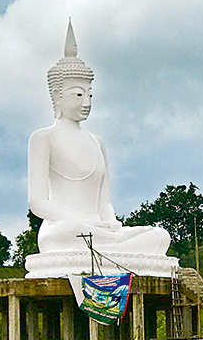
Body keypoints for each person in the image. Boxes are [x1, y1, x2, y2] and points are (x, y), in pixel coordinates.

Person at [28, 21, 170, 256]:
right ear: (57, 95)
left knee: (160, 235)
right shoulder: (43, 138)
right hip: (65, 230)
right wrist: (86, 223)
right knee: (68, 232)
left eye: (90, 95)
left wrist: (111, 224)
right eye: (78, 95)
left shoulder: (97, 142)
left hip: (100, 230)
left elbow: (104, 203)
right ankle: (117, 249)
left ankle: (115, 247)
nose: (86, 103)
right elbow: (38, 203)